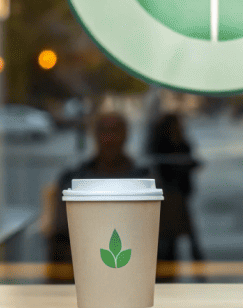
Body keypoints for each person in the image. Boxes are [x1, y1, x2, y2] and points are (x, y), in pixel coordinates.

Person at [44, 111, 148, 265]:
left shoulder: (145, 179)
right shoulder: (73, 179)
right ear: (95, 135)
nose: (109, 139)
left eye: (115, 131)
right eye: (104, 131)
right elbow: (60, 234)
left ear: (126, 135)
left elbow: (154, 237)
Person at [147, 113, 204, 262]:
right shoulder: (164, 145)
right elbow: (164, 169)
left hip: (179, 195)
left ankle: (198, 274)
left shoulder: (180, 144)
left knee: (182, 238)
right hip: (170, 195)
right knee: (172, 239)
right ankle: (173, 274)